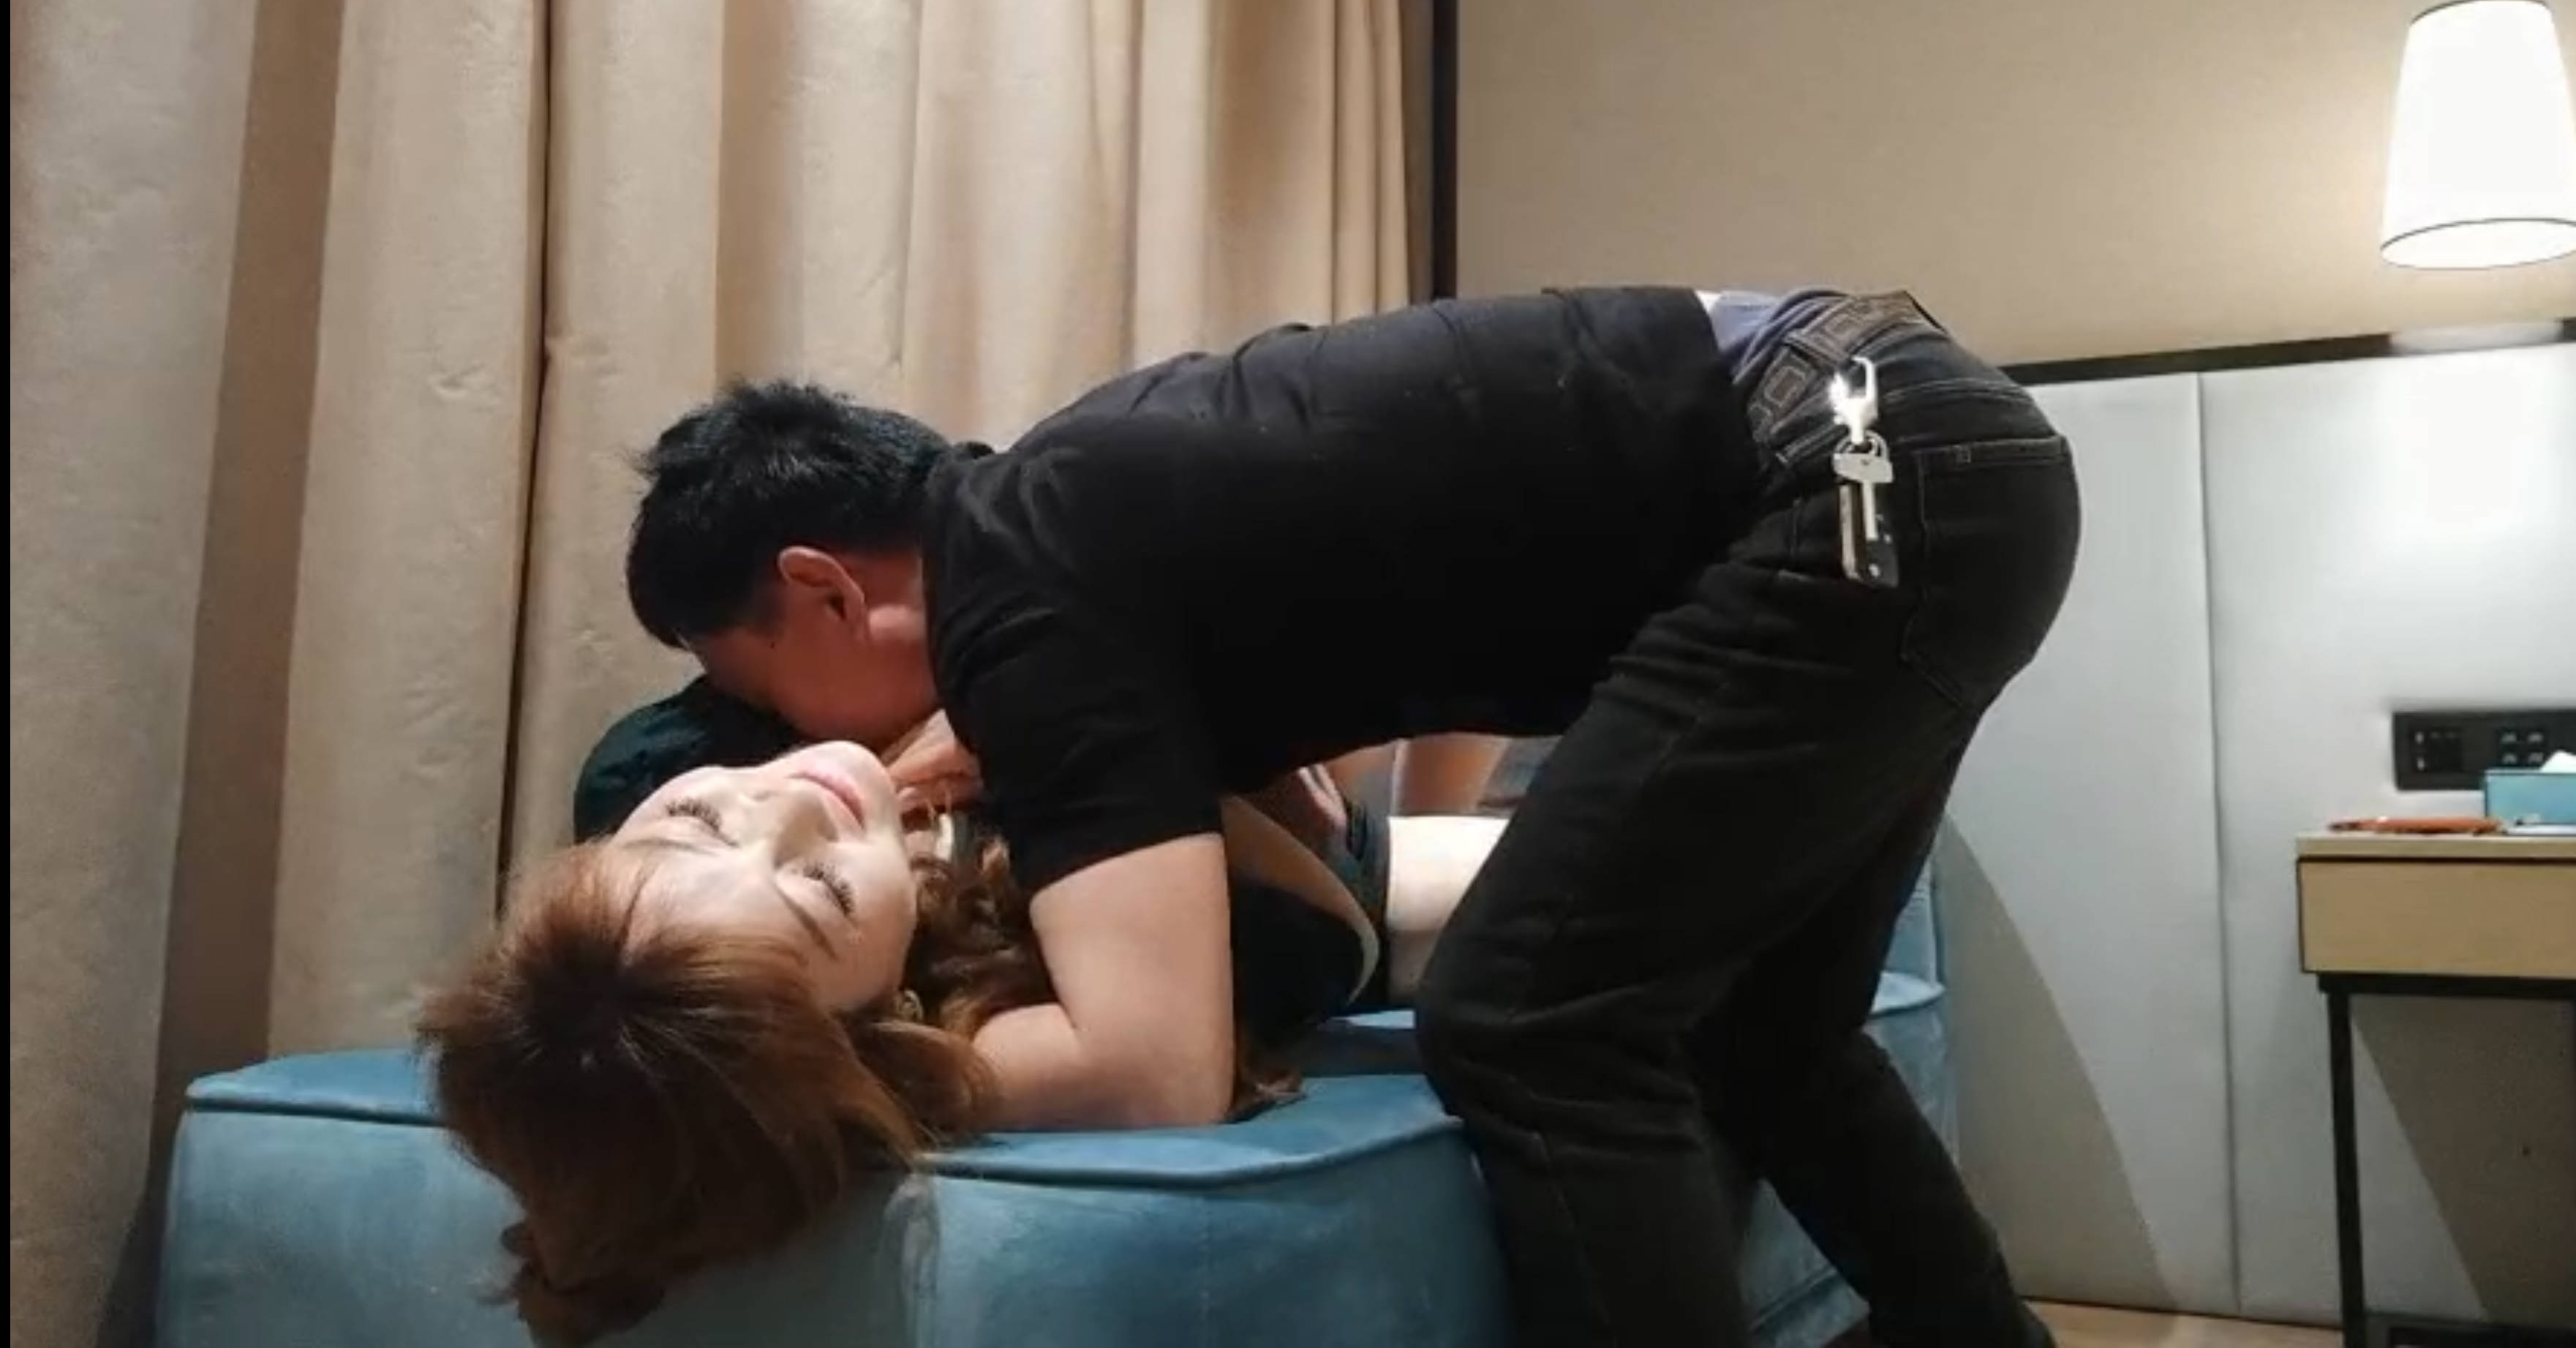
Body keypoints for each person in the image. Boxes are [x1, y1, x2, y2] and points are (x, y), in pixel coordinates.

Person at [563, 285, 2079, 1346]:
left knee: (1531, 1024)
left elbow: (1153, 1067)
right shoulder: (1071, 513)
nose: (792, 743)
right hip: (1921, 443)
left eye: (758, 685)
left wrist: (824, 1063)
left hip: (1854, 471)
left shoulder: (1022, 592)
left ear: (824, 589)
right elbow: (1325, 835)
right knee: (1765, 1029)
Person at [422, 734, 1504, 1344]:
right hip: (1358, 893)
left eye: (695, 822)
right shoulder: (954, 1034)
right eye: (823, 887)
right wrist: (1038, 707)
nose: (790, 805)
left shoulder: (669, 825)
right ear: (870, 1025)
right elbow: (1197, 1043)